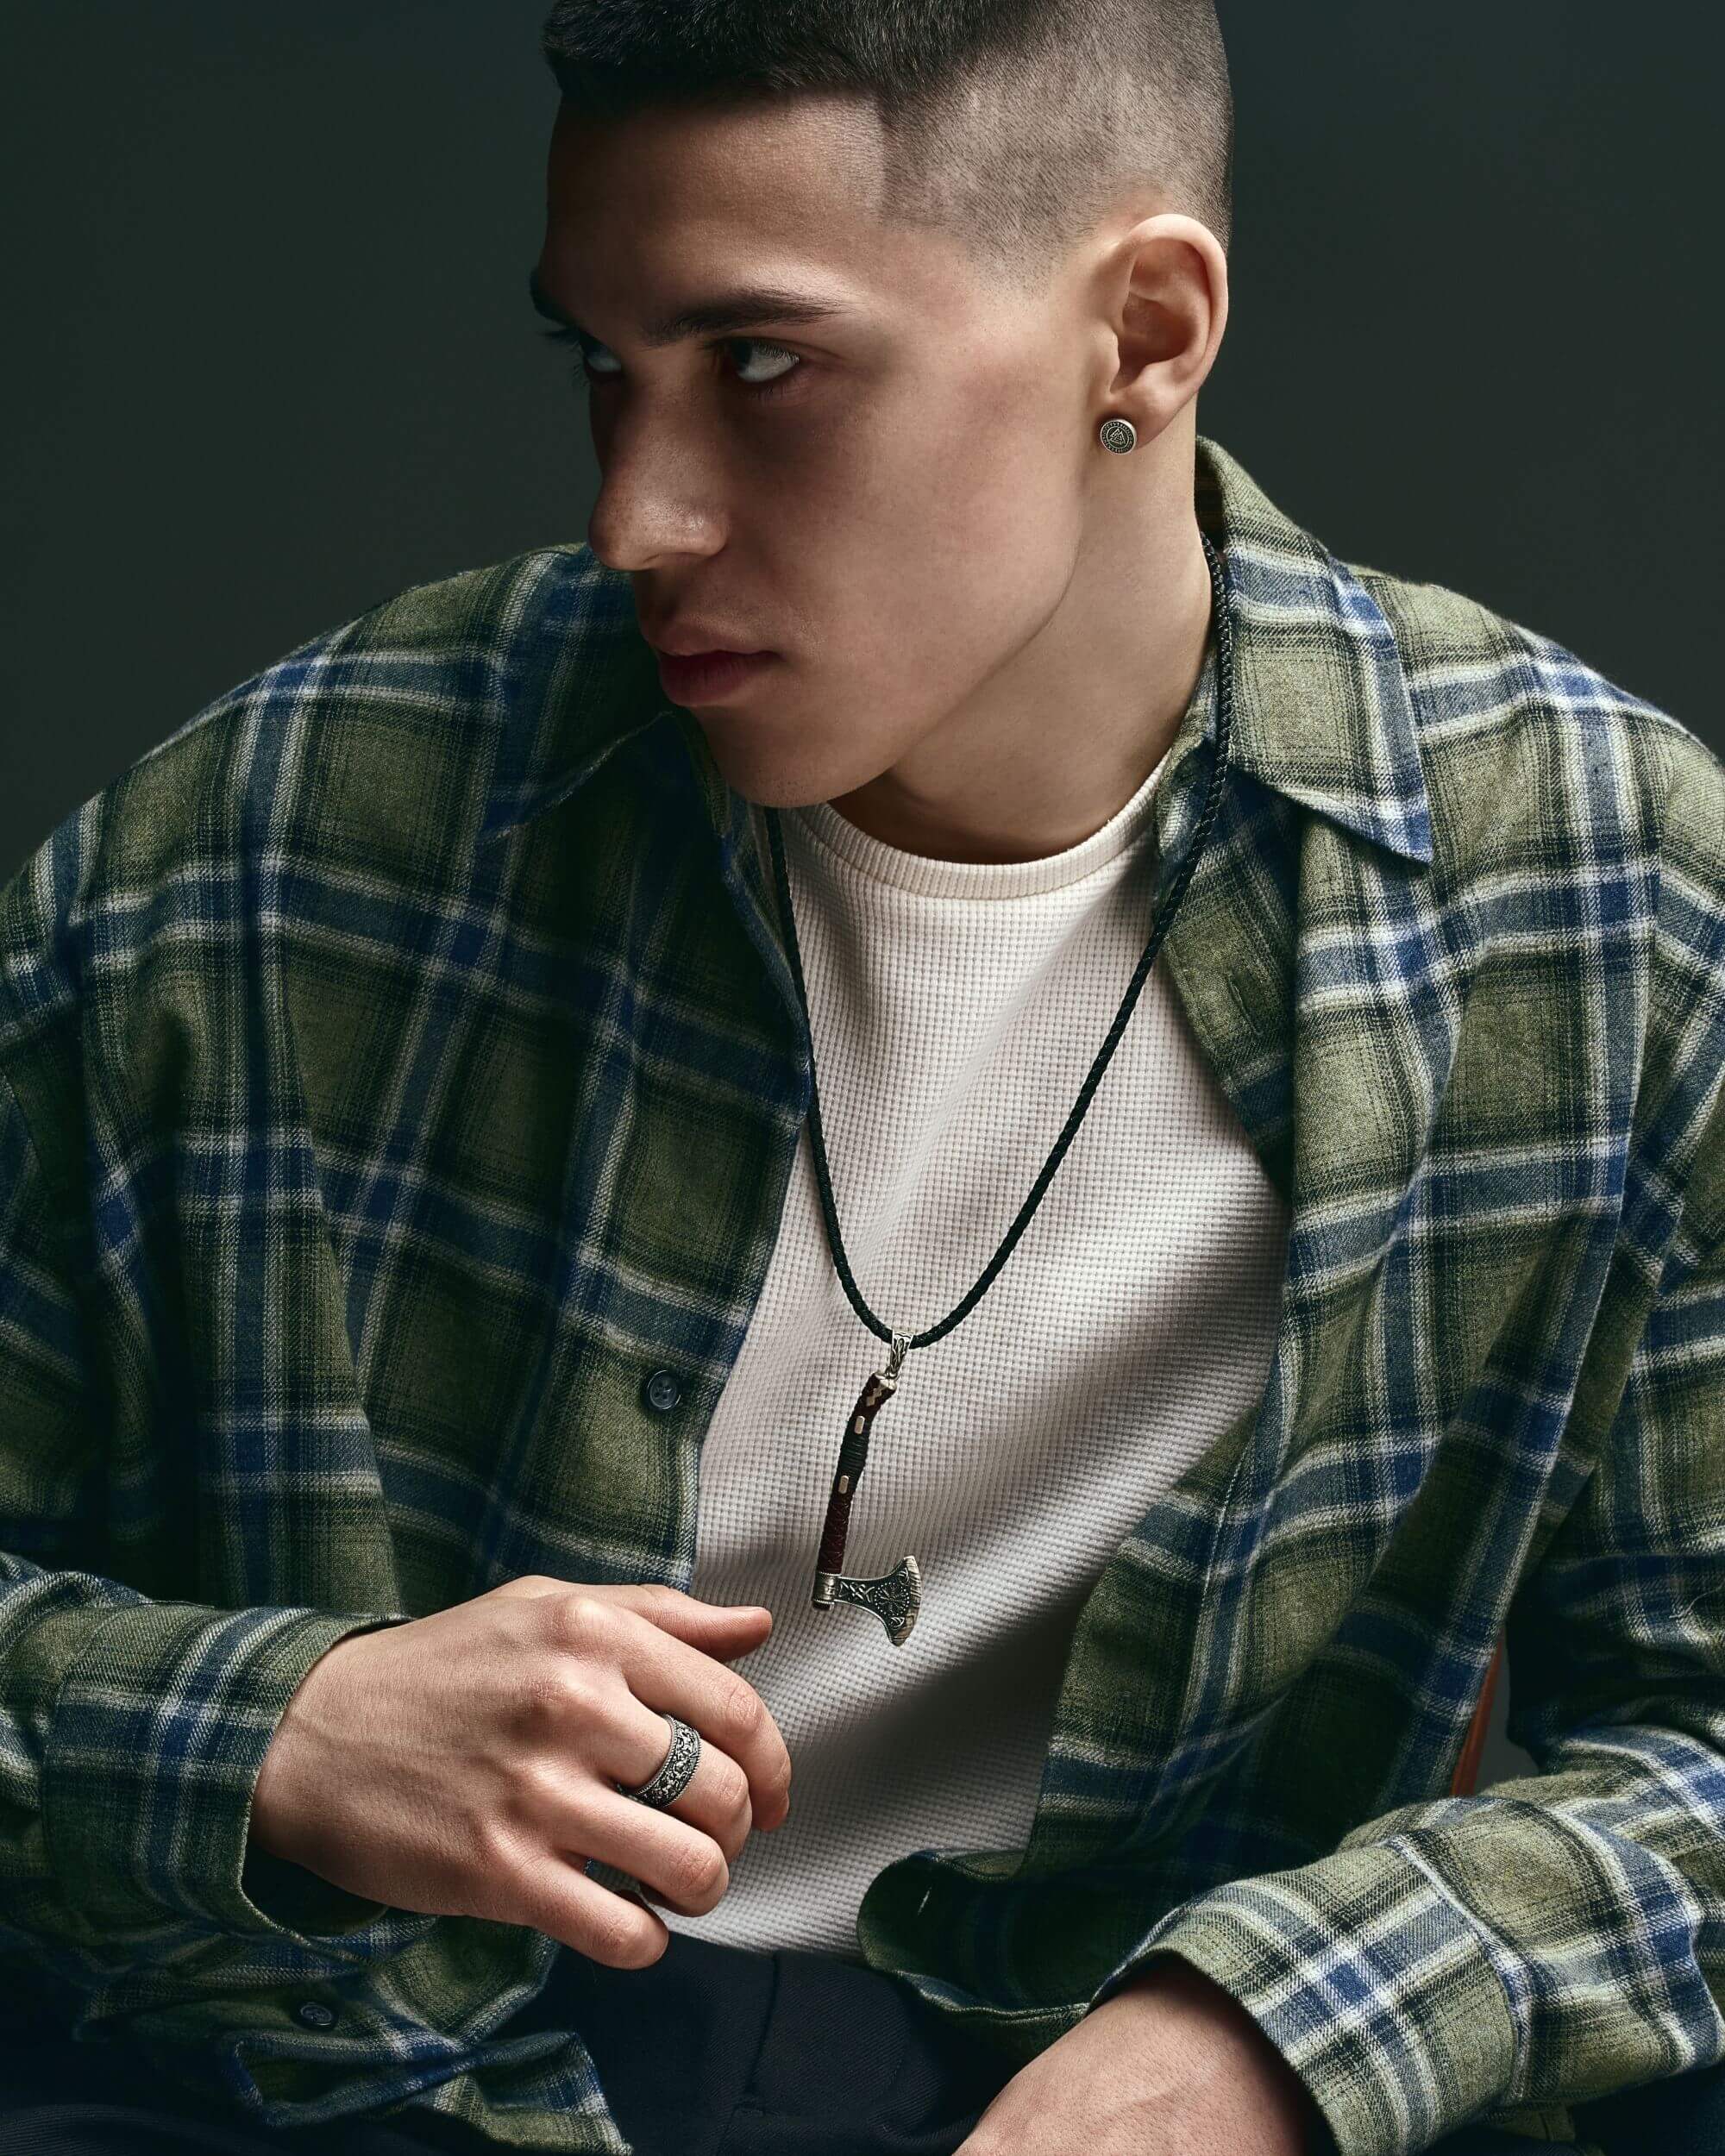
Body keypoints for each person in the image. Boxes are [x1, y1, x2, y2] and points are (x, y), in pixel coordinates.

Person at [1, 3, 1722, 2153]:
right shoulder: (279, 844)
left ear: (1144, 333)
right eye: (602, 368)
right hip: (367, 2075)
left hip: (1084, 2063)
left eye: (759, 366)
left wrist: (1289, 2029)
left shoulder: (1595, 898)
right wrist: (273, 1731)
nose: (634, 515)